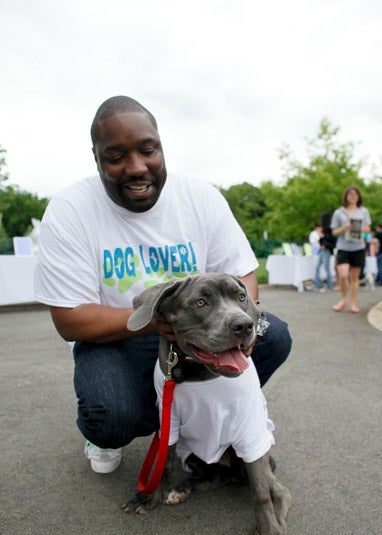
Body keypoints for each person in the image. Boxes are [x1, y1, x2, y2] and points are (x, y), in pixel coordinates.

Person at [34, 95, 292, 474]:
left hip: (199, 329)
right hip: (118, 335)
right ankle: (111, 433)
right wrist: (154, 321)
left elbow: (244, 277)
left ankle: (201, 426)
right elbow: (71, 319)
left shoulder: (200, 197)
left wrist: (239, 328)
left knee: (275, 334)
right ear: (96, 158)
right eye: (116, 156)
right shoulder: (70, 209)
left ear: (160, 146)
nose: (137, 167)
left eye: (147, 150)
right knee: (112, 415)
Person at [330, 186, 371, 313]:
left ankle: (353, 303)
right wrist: (343, 228)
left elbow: (368, 228)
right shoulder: (339, 212)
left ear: (358, 197)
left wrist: (364, 229)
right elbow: (334, 231)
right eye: (350, 194)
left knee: (355, 278)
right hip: (343, 247)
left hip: (358, 247)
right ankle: (343, 299)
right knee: (343, 275)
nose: (353, 196)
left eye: (355, 194)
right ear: (346, 196)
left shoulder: (363, 211)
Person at [313, 212, 336, 291]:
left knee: (327, 268)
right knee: (317, 267)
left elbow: (332, 241)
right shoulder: (323, 229)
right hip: (322, 250)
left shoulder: (330, 229)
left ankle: (328, 285)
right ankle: (317, 284)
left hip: (327, 250)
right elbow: (321, 240)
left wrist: (324, 239)